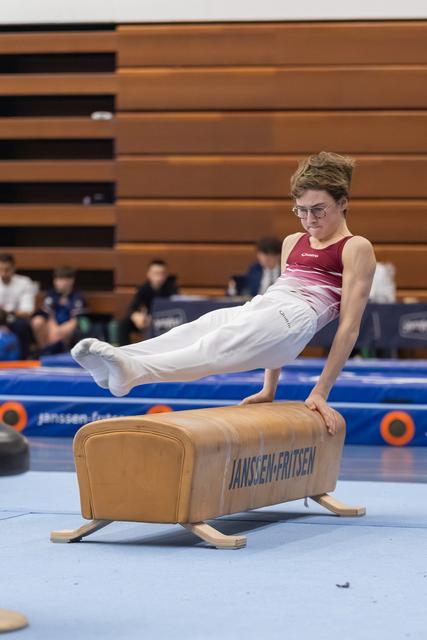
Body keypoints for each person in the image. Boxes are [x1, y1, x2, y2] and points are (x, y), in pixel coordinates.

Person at [71, 151, 376, 435]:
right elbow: (271, 318)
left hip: (296, 320)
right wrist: (269, 389)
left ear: (343, 203)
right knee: (198, 328)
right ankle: (119, 361)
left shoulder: (355, 248)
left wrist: (320, 392)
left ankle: (133, 372)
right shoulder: (293, 241)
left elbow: (349, 328)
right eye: (302, 210)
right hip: (265, 308)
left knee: (214, 347)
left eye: (319, 210)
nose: (309, 220)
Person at [117, 259, 178, 345]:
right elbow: (133, 306)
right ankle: (123, 351)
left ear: (166, 275)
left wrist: (154, 318)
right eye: (156, 273)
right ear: (149, 274)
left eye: (162, 274)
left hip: (166, 321)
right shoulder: (143, 288)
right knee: (124, 323)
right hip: (147, 322)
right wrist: (135, 315)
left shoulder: (171, 289)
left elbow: (176, 308)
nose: (159, 277)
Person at [31, 266, 88, 354]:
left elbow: (76, 320)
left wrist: (60, 331)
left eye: (61, 280)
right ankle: (44, 352)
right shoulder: (51, 294)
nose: (58, 283)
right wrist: (54, 329)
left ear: (70, 281)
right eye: (56, 280)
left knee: (75, 329)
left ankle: (66, 352)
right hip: (53, 329)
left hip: (68, 328)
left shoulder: (77, 296)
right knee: (37, 321)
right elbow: (49, 316)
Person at [0, 254, 36, 359]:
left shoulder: (24, 282)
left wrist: (7, 313)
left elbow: (28, 310)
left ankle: (22, 359)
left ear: (13, 268)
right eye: (0, 269)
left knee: (22, 324)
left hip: (14, 318)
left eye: (7, 269)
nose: (3, 272)